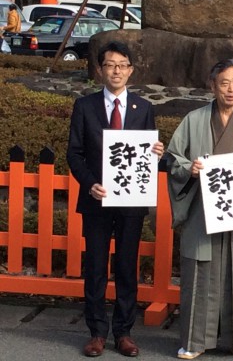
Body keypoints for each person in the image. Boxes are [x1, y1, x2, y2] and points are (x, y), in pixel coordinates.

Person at [166, 59, 233, 361]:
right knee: (200, 273)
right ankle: (194, 341)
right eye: (224, 83)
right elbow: (173, 158)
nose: (230, 89)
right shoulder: (193, 120)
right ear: (212, 85)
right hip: (203, 211)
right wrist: (191, 169)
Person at [66, 41, 164, 357]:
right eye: (110, 64)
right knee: (95, 266)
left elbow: (148, 157)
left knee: (125, 266)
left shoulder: (143, 108)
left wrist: (157, 154)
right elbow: (75, 153)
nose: (116, 70)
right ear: (100, 69)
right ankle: (96, 332)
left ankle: (123, 332)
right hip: (96, 199)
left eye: (122, 64)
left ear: (131, 70)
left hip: (130, 201)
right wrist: (90, 183)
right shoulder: (85, 106)